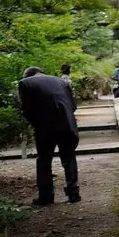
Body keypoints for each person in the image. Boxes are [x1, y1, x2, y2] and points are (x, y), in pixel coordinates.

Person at [18, 67, 80, 205]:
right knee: (69, 158)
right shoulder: (61, 81)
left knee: (44, 161)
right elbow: (73, 105)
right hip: (66, 124)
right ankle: (73, 193)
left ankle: (46, 196)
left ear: (28, 75)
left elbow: (26, 109)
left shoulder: (25, 83)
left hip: (44, 127)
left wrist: (36, 123)